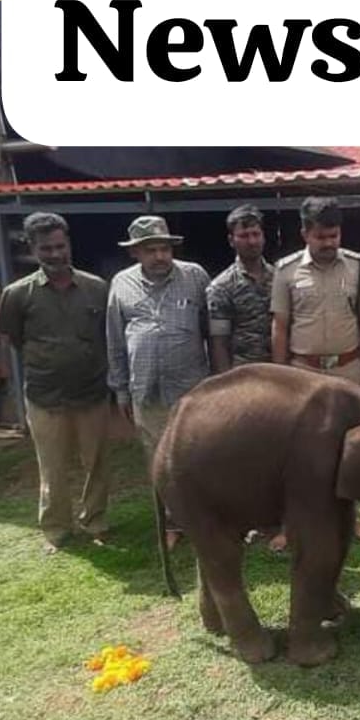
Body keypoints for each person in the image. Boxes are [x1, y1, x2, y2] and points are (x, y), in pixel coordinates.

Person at [0, 211, 112, 554]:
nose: (56, 254)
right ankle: (58, 530)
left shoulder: (96, 288)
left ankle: (96, 521)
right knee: (53, 469)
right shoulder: (17, 294)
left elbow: (107, 337)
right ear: (33, 249)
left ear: (69, 244)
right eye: (46, 248)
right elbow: (11, 342)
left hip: (92, 392)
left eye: (61, 246)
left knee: (97, 463)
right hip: (45, 397)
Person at [272, 196, 360, 541]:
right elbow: (280, 326)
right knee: (298, 451)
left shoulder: (357, 267)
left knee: (351, 447)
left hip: (348, 370)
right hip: (302, 373)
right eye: (321, 237)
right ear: (305, 233)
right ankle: (291, 524)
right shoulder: (286, 270)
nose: (329, 243)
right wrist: (278, 379)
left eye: (334, 236)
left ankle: (353, 518)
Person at [105, 215, 211, 545]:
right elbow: (115, 341)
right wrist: (121, 390)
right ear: (135, 252)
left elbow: (212, 330)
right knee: (159, 460)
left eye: (164, 248)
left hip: (192, 391)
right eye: (151, 250)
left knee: (201, 455)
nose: (160, 256)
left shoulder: (194, 277)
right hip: (146, 391)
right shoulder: (121, 284)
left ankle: (209, 519)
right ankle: (173, 523)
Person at [206, 205, 278, 371]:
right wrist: (225, 383)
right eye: (244, 236)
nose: (252, 241)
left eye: (256, 234)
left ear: (263, 237)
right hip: (244, 373)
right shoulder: (221, 287)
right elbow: (219, 341)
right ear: (231, 240)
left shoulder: (280, 277)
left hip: (280, 370)